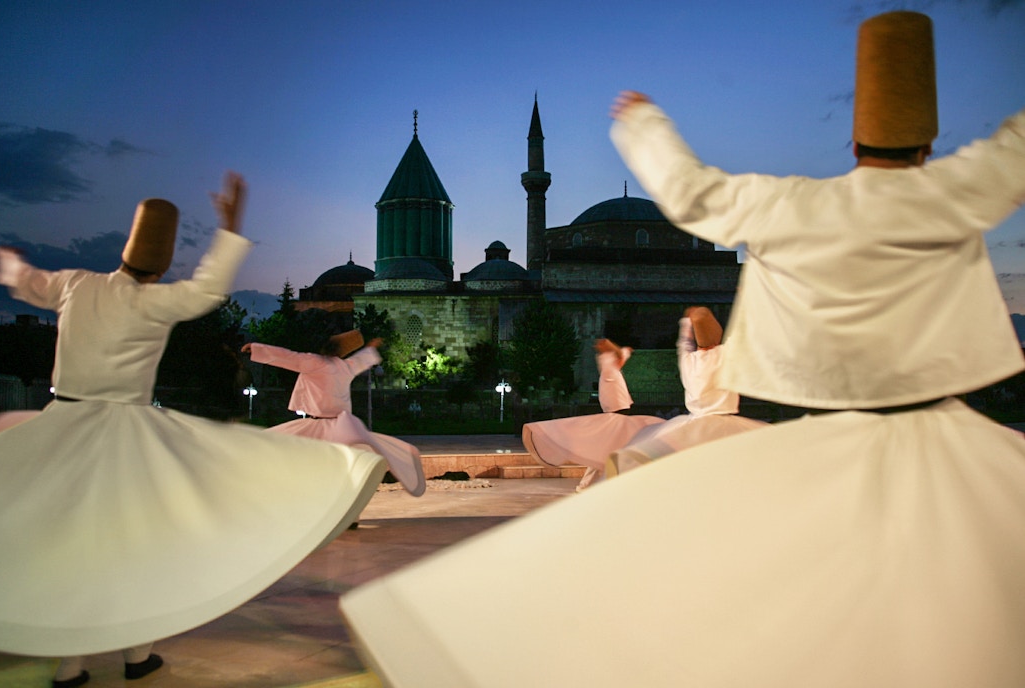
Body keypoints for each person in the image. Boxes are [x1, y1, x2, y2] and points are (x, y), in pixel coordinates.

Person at [339, 12, 1025, 686]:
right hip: (952, 435)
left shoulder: (802, 204)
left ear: (853, 144)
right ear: (928, 146)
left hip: (840, 437)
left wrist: (644, 124)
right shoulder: (959, 190)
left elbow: (696, 195)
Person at [0, 173, 388, 688]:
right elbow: (208, 288)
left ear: (124, 249)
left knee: (70, 542)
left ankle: (70, 665)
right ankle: (137, 655)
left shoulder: (76, 284)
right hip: (127, 437)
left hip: (66, 427)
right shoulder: (156, 302)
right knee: (139, 544)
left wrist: (9, 262)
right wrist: (228, 228)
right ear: (160, 264)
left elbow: (27, 282)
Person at [242, 333, 426, 497]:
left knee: (306, 461)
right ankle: (346, 510)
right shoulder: (345, 366)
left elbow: (288, 357)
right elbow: (361, 358)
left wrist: (257, 349)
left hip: (321, 426)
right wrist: (371, 347)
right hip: (342, 426)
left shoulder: (314, 362)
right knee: (342, 470)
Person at [607, 307, 766, 475]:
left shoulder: (688, 361)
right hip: (726, 423)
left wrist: (687, 323)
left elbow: (683, 344)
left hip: (694, 425)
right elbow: (742, 334)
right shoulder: (726, 355)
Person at [521, 338, 660, 491]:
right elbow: (619, 355)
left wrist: (621, 350)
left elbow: (620, 356)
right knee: (606, 450)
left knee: (609, 451)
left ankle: (591, 485)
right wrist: (613, 348)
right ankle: (587, 485)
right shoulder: (608, 368)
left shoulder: (613, 369)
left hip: (618, 413)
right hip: (615, 413)